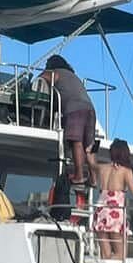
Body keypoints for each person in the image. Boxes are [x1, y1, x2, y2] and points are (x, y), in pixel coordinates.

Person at [39, 53, 96, 183]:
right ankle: (94, 178)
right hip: (90, 109)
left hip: (74, 109)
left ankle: (79, 175)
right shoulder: (74, 76)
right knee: (90, 145)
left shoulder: (55, 72)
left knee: (76, 142)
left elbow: (42, 78)